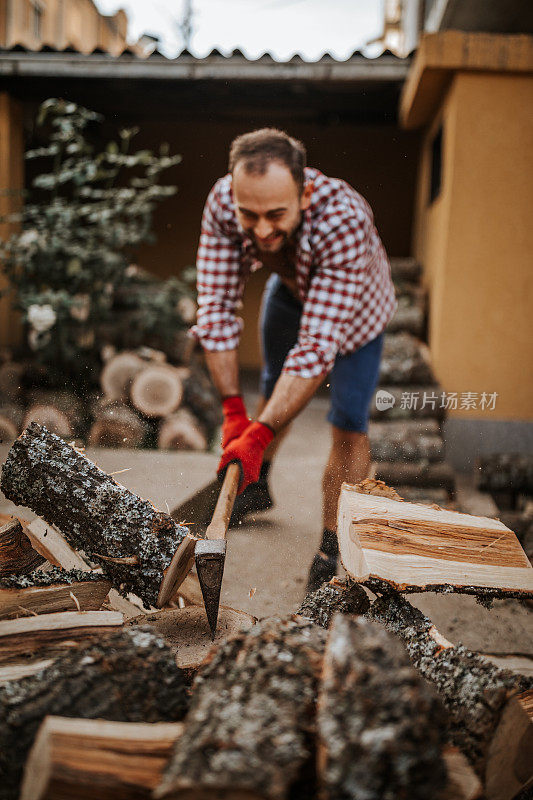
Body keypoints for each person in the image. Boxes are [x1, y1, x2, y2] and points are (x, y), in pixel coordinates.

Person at [191, 128, 397, 592]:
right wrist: (232, 413)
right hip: (289, 294)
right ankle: (257, 484)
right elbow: (217, 310)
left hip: (357, 317)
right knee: (273, 395)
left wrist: (258, 431)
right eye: (250, 215)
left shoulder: (344, 218)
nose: (262, 231)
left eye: (276, 215)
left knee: (347, 424)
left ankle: (330, 548)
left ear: (304, 192)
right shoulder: (224, 202)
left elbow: (316, 348)